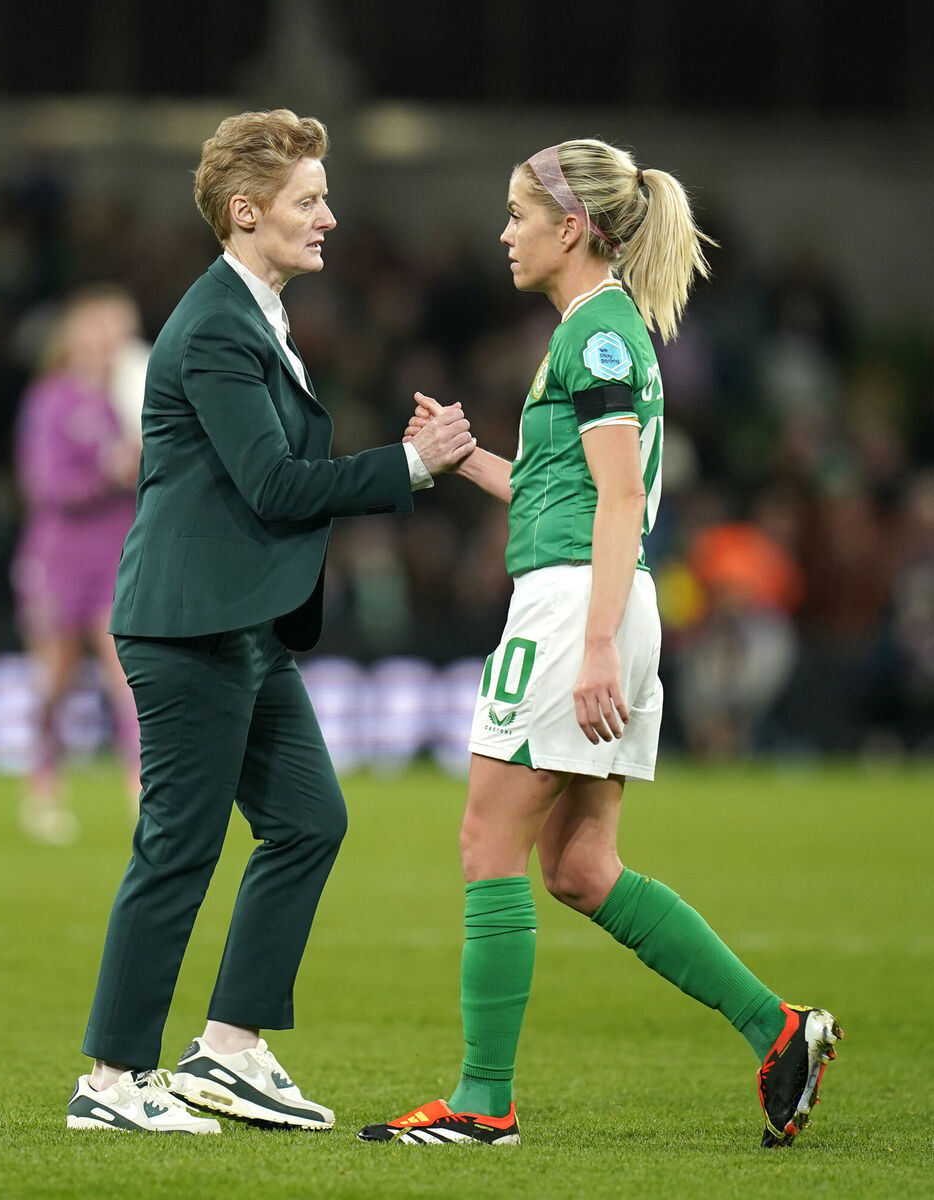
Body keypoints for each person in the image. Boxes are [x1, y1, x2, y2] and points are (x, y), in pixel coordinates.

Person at [358, 139, 843, 1149]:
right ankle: (778, 1028)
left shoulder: (598, 336)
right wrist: (465, 459)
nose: (503, 232)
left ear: (567, 227)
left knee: (484, 842)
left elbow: (620, 498)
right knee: (579, 867)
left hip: (577, 608)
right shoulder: (592, 330)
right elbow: (567, 493)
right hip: (601, 600)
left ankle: (481, 1102)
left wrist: (587, 647)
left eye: (515, 215)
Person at [66, 109, 475, 1134]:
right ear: (245, 213)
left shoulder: (245, 312)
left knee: (308, 821)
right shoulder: (213, 323)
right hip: (191, 626)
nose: (329, 216)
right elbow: (270, 483)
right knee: (178, 850)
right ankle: (110, 1083)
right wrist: (410, 468)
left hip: (241, 624)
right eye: (308, 200)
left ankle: (232, 1050)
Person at [12, 285, 143, 845]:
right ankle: (42, 786)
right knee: (55, 683)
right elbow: (44, 485)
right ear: (76, 336)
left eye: (121, 331)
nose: (112, 342)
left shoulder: (133, 398)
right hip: (58, 560)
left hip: (117, 558)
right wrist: (110, 472)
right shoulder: (51, 401)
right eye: (102, 329)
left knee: (129, 684)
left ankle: (142, 800)